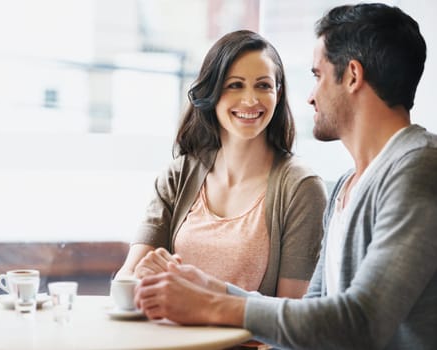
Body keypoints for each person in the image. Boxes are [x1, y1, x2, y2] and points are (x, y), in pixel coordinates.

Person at [134, 3, 437, 350]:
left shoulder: (420, 168)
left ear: (352, 75)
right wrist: (208, 287)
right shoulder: (344, 187)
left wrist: (213, 304)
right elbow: (310, 314)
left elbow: (361, 322)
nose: (309, 97)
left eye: (318, 76)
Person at [116, 30, 327, 299]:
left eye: (263, 85)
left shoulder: (301, 188)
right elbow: (127, 279)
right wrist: (140, 278)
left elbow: (292, 314)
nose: (251, 100)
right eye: (235, 85)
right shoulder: (178, 175)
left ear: (278, 92)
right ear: (212, 92)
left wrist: (197, 293)